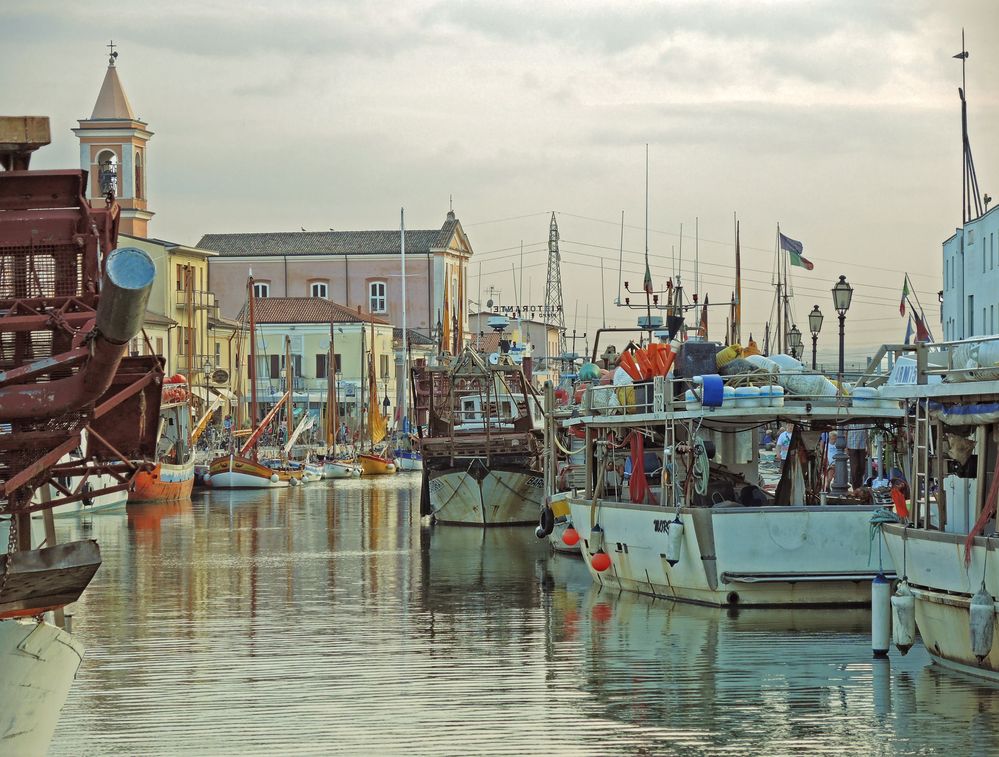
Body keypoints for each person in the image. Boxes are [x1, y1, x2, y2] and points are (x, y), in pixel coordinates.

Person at [846, 423, 869, 489]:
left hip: (862, 446)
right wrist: (846, 447)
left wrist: (868, 447)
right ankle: (855, 488)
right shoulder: (849, 423)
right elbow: (846, 433)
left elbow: (867, 435)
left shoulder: (864, 423)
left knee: (862, 467)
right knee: (855, 468)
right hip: (852, 446)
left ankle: (859, 484)